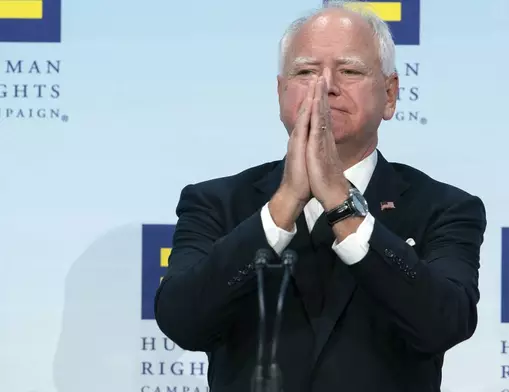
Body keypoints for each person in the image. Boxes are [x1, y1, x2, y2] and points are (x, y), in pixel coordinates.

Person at [154, 3, 487, 391]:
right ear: (281, 92)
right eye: (306, 71)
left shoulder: (443, 209)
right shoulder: (215, 203)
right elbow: (183, 322)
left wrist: (342, 204)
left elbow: (443, 325)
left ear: (391, 94)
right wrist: (282, 206)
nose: (325, 85)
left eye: (349, 70)